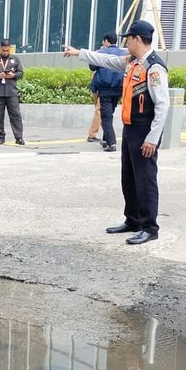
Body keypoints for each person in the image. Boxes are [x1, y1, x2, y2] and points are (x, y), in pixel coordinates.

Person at [64, 20, 169, 245]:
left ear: (138, 39)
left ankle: (150, 227)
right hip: (130, 128)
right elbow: (107, 60)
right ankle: (132, 220)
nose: (126, 44)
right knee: (128, 178)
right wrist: (79, 53)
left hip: (145, 131)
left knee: (145, 179)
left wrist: (152, 138)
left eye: (128, 39)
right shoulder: (132, 61)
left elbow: (162, 105)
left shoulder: (154, 67)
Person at [88, 33, 126, 153]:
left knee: (106, 117)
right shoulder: (123, 53)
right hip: (119, 89)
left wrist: (100, 51)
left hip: (105, 89)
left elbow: (92, 67)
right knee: (110, 113)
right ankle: (105, 140)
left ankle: (111, 143)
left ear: (105, 41)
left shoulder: (101, 53)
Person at [0, 38, 24, 145]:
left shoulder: (15, 59)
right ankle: (1, 137)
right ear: (0, 49)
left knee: (16, 115)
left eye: (7, 50)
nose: (5, 52)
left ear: (10, 49)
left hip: (12, 92)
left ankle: (19, 137)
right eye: (3, 50)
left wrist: (14, 75)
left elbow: (21, 73)